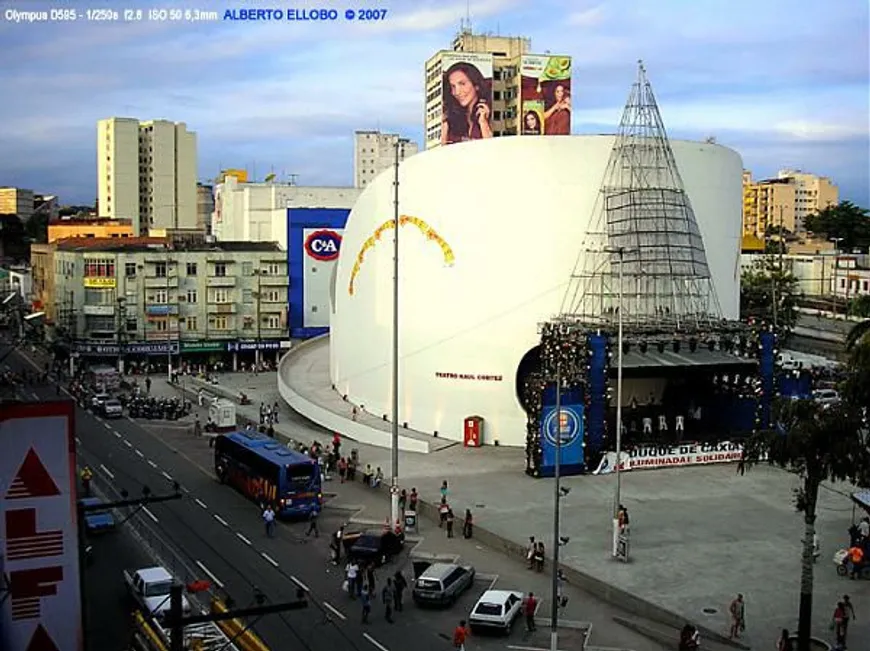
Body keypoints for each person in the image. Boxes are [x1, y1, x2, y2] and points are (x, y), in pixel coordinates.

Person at [440, 61, 493, 145]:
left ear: (476, 85)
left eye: (462, 84)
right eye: (453, 86)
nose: (457, 92)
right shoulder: (451, 118)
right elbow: (442, 152)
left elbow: (493, 149)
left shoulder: (490, 113)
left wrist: (483, 123)